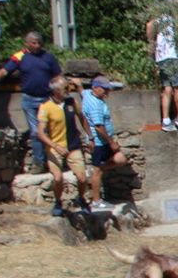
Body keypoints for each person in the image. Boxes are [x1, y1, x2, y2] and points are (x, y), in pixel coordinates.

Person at [0, 32, 63, 169]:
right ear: (27, 43)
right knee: (35, 132)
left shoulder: (48, 57)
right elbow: (4, 71)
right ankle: (39, 162)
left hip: (46, 99)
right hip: (29, 99)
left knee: (50, 130)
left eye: (39, 43)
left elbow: (58, 76)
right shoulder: (20, 56)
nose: (37, 46)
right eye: (33, 43)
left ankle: (54, 161)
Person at [37, 77, 93, 216]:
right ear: (55, 91)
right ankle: (58, 201)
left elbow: (81, 117)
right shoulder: (45, 107)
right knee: (57, 178)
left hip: (73, 145)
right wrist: (55, 146)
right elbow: (40, 133)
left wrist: (89, 136)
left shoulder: (72, 102)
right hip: (55, 147)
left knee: (82, 178)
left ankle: (81, 198)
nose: (68, 91)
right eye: (64, 89)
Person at [81, 75, 128, 204]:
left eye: (108, 89)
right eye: (104, 89)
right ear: (95, 88)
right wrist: (111, 142)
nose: (108, 92)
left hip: (103, 142)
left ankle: (101, 168)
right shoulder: (95, 104)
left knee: (120, 159)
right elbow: (99, 127)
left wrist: (77, 83)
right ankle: (96, 201)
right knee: (97, 171)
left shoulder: (87, 94)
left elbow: (81, 90)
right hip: (99, 143)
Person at [146, 3, 178, 131]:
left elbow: (149, 25)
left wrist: (152, 44)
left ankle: (166, 120)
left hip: (161, 58)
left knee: (167, 89)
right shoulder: (172, 19)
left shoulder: (158, 20)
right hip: (172, 57)